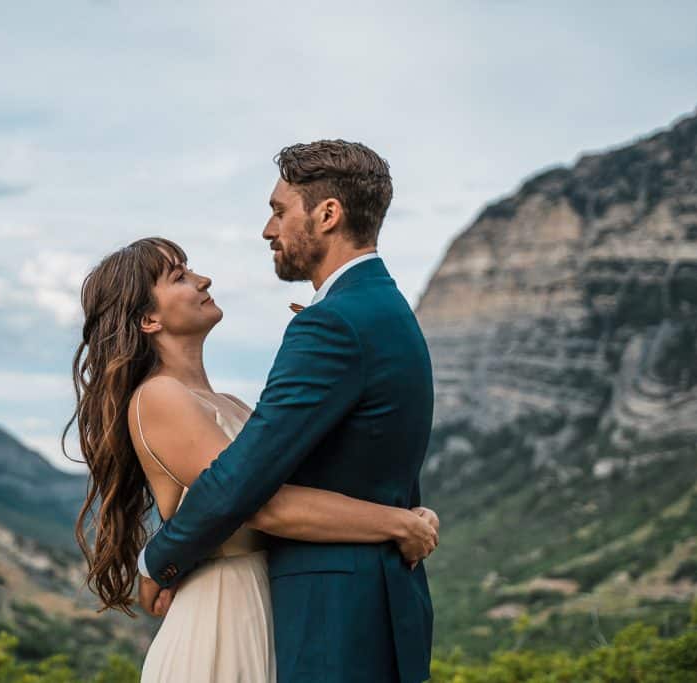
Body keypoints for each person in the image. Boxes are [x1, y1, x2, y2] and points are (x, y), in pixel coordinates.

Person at [67, 232, 439, 682]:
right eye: (180, 276)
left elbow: (311, 485)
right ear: (148, 318)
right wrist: (398, 524)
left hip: (267, 608)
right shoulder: (160, 398)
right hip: (220, 622)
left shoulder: (231, 405)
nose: (204, 280)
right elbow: (261, 504)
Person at [136, 141, 436, 682]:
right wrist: (404, 520)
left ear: (327, 215)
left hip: (335, 614)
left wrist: (159, 561)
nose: (268, 231)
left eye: (279, 211)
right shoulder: (385, 309)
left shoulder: (333, 324)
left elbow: (240, 485)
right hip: (365, 601)